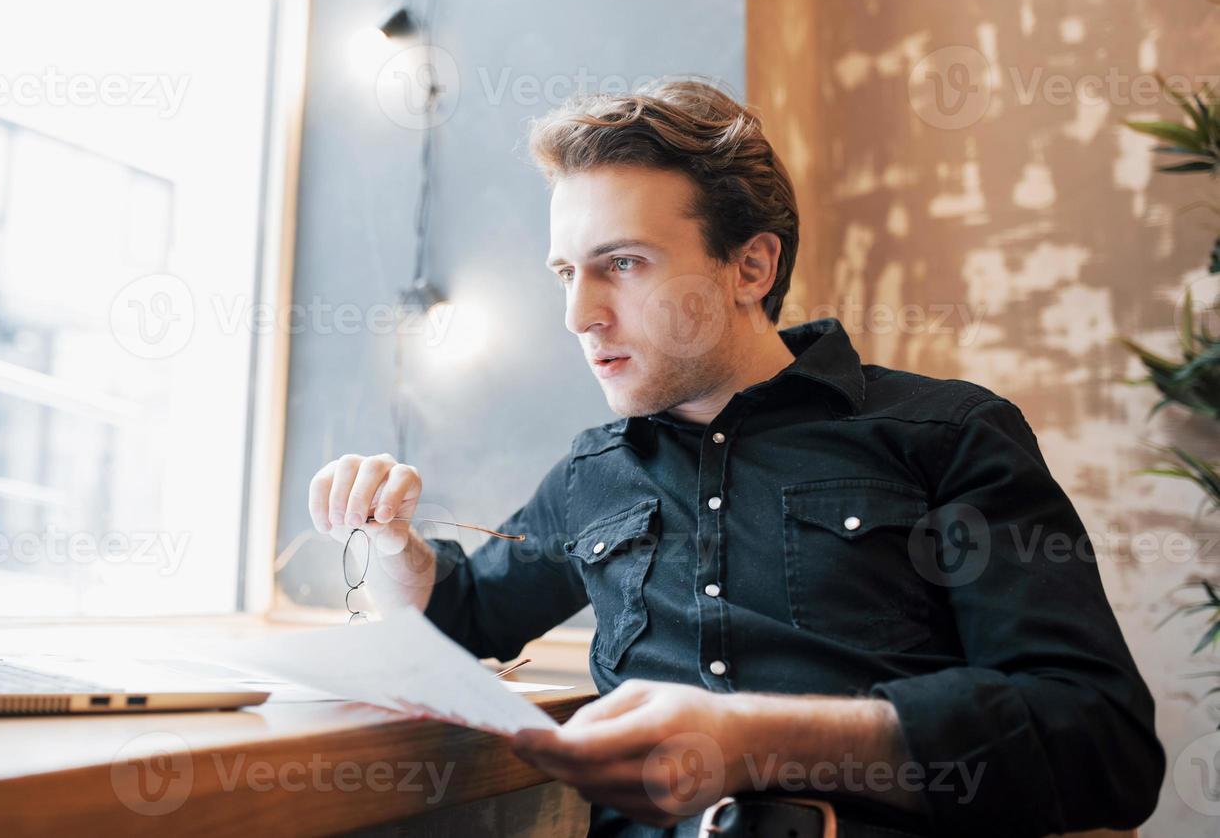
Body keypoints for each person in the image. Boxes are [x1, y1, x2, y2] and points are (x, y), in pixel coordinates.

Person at [307, 80, 1164, 838]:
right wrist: (394, 548)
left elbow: (1099, 739)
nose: (579, 315)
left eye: (624, 265)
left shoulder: (947, 433)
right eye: (567, 271)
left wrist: (753, 737)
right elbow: (458, 617)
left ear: (750, 265)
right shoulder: (591, 473)